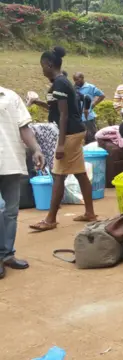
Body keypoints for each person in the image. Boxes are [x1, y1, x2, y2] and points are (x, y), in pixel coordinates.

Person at [30, 46, 97, 232]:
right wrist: (36, 102)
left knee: (58, 174)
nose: (42, 69)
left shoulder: (60, 83)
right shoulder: (62, 83)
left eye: (42, 65)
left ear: (49, 64)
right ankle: (90, 212)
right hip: (75, 131)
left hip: (69, 134)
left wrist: (60, 145)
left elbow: (64, 115)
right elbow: (55, 111)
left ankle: (50, 219)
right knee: (80, 174)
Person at [0, 86, 45, 278]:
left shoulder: (10, 96)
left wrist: (36, 149)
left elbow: (23, 127)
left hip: (10, 161)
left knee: (10, 211)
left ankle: (7, 254)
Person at [73, 72, 105, 144]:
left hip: (89, 117)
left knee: (92, 137)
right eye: (74, 80)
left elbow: (102, 95)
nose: (75, 82)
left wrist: (94, 104)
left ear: (82, 78)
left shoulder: (90, 87)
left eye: (77, 79)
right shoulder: (74, 88)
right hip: (78, 117)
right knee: (82, 138)